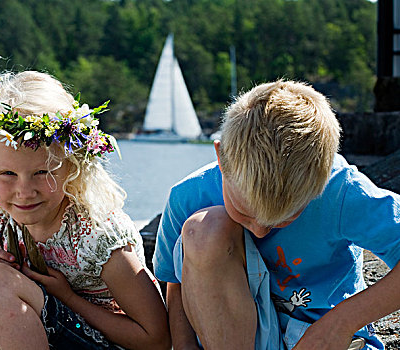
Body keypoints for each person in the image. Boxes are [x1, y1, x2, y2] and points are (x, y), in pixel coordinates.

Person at [0, 63, 170, 350]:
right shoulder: (0, 220)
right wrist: (10, 279)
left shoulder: (97, 235)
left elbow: (157, 339)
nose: (24, 191)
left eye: (43, 172)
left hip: (103, 343)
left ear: (72, 164)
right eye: (8, 174)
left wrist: (67, 297)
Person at [153, 80, 400, 350]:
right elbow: (174, 285)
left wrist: (342, 322)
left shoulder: (341, 189)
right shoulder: (187, 196)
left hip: (322, 335)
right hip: (233, 334)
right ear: (222, 157)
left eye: (285, 219)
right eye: (245, 213)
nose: (260, 231)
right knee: (204, 229)